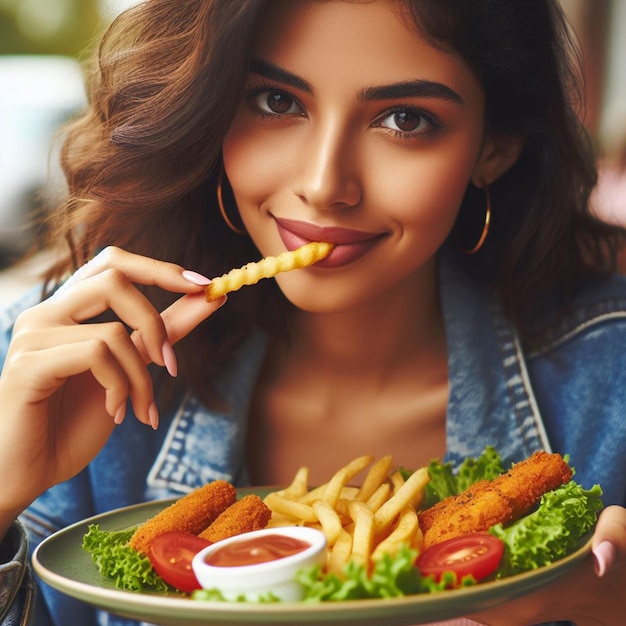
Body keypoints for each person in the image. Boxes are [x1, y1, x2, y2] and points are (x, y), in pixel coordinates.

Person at [0, 0, 625, 624]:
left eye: (405, 118)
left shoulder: (610, 381)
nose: (325, 184)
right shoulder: (57, 365)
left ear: (496, 147)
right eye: (277, 102)